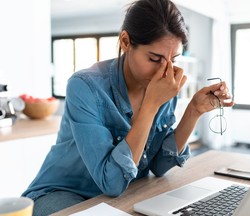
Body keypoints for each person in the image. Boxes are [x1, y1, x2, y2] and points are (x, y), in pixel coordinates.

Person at [22, 0, 234, 215]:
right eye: (154, 58)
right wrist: (151, 105)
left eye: (174, 59)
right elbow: (111, 183)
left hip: (122, 193)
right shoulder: (85, 85)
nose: (165, 70)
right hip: (63, 192)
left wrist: (193, 111)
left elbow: (160, 166)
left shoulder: (162, 85)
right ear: (125, 41)